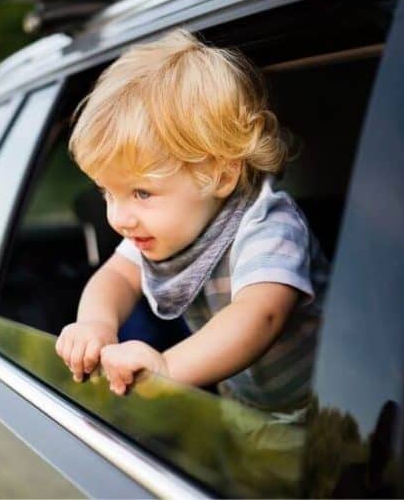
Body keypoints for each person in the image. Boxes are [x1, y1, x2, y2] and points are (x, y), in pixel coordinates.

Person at [55, 28, 328, 414]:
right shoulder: (154, 230)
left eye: (141, 193)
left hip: (321, 410)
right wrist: (96, 325)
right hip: (244, 406)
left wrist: (168, 367)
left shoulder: (268, 225)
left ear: (219, 175)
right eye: (106, 193)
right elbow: (116, 276)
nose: (118, 218)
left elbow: (260, 314)